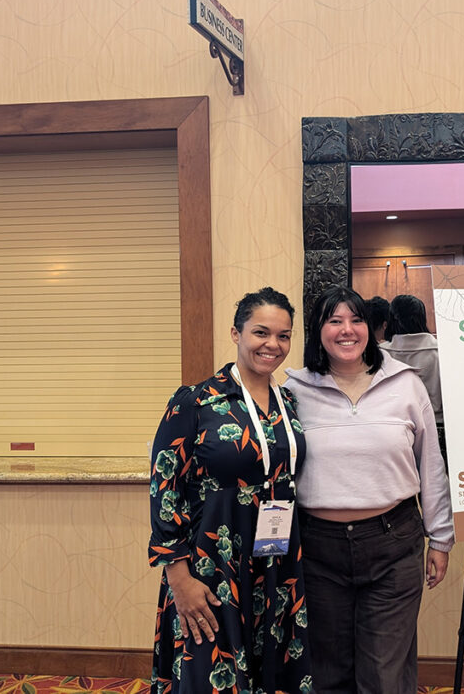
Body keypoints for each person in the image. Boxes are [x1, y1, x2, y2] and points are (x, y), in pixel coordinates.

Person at [284, 285, 453, 694]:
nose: (347, 330)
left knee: (384, 673)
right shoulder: (293, 391)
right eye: (334, 320)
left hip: (392, 542)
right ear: (317, 331)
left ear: (372, 327)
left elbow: (430, 463)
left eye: (356, 319)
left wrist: (441, 538)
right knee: (327, 669)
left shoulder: (405, 383)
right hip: (317, 547)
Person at [148, 288, 311, 694]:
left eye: (284, 335)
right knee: (214, 674)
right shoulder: (196, 402)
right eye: (261, 332)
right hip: (212, 565)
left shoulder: (287, 402)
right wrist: (178, 577)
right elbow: (163, 488)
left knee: (273, 669)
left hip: (276, 562)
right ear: (236, 334)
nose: (273, 344)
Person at [381, 294, 443, 425]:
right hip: (438, 424)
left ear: (391, 319)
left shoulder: (380, 354)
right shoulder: (442, 352)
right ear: (422, 318)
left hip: (393, 426)